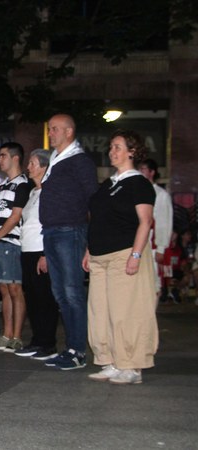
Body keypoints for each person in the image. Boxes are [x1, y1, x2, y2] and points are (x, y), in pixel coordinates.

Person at [83, 130, 156, 384]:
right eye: (111, 147)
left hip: (124, 253)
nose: (112, 151)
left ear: (132, 152)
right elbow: (99, 220)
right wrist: (89, 250)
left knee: (126, 312)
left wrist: (135, 255)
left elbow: (145, 222)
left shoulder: (139, 183)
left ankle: (132, 366)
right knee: (100, 312)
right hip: (100, 256)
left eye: (117, 147)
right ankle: (110, 361)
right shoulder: (108, 184)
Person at [39, 114, 98, 370]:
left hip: (70, 231)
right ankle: (70, 348)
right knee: (61, 293)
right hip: (52, 232)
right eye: (50, 129)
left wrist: (91, 241)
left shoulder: (79, 161)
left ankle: (78, 351)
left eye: (54, 129)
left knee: (72, 292)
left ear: (69, 131)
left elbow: (93, 200)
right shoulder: (56, 160)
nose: (50, 133)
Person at [0, 142, 30, 353]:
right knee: (3, 289)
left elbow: (15, 216)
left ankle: (17, 336)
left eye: (2, 156)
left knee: (15, 288)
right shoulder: (2, 185)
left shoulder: (23, 184)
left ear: (15, 157)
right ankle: (6, 333)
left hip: (13, 242)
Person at [14, 149, 60, 360]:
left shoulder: (51, 192)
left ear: (44, 166)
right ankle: (37, 340)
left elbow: (52, 224)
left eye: (32, 163)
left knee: (45, 298)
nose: (28, 167)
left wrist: (46, 254)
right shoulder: (33, 192)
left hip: (41, 250)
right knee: (31, 297)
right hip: (27, 250)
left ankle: (48, 343)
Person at [138, 158, 173, 300]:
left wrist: (161, 248)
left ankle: (151, 314)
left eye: (143, 169)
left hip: (152, 245)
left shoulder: (161, 195)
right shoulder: (135, 192)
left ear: (152, 172)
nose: (140, 172)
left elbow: (165, 222)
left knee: (153, 281)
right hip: (136, 243)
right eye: (138, 169)